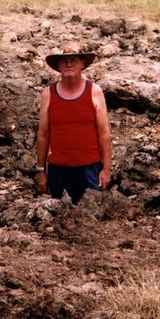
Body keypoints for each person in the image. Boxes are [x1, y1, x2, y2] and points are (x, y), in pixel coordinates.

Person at [35, 41, 112, 204]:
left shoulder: (94, 91)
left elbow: (104, 133)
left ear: (82, 64)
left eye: (74, 60)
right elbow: (43, 134)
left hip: (89, 168)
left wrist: (106, 169)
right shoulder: (48, 94)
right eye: (64, 61)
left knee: (90, 214)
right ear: (58, 66)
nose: (69, 64)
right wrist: (41, 171)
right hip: (58, 169)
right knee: (61, 217)